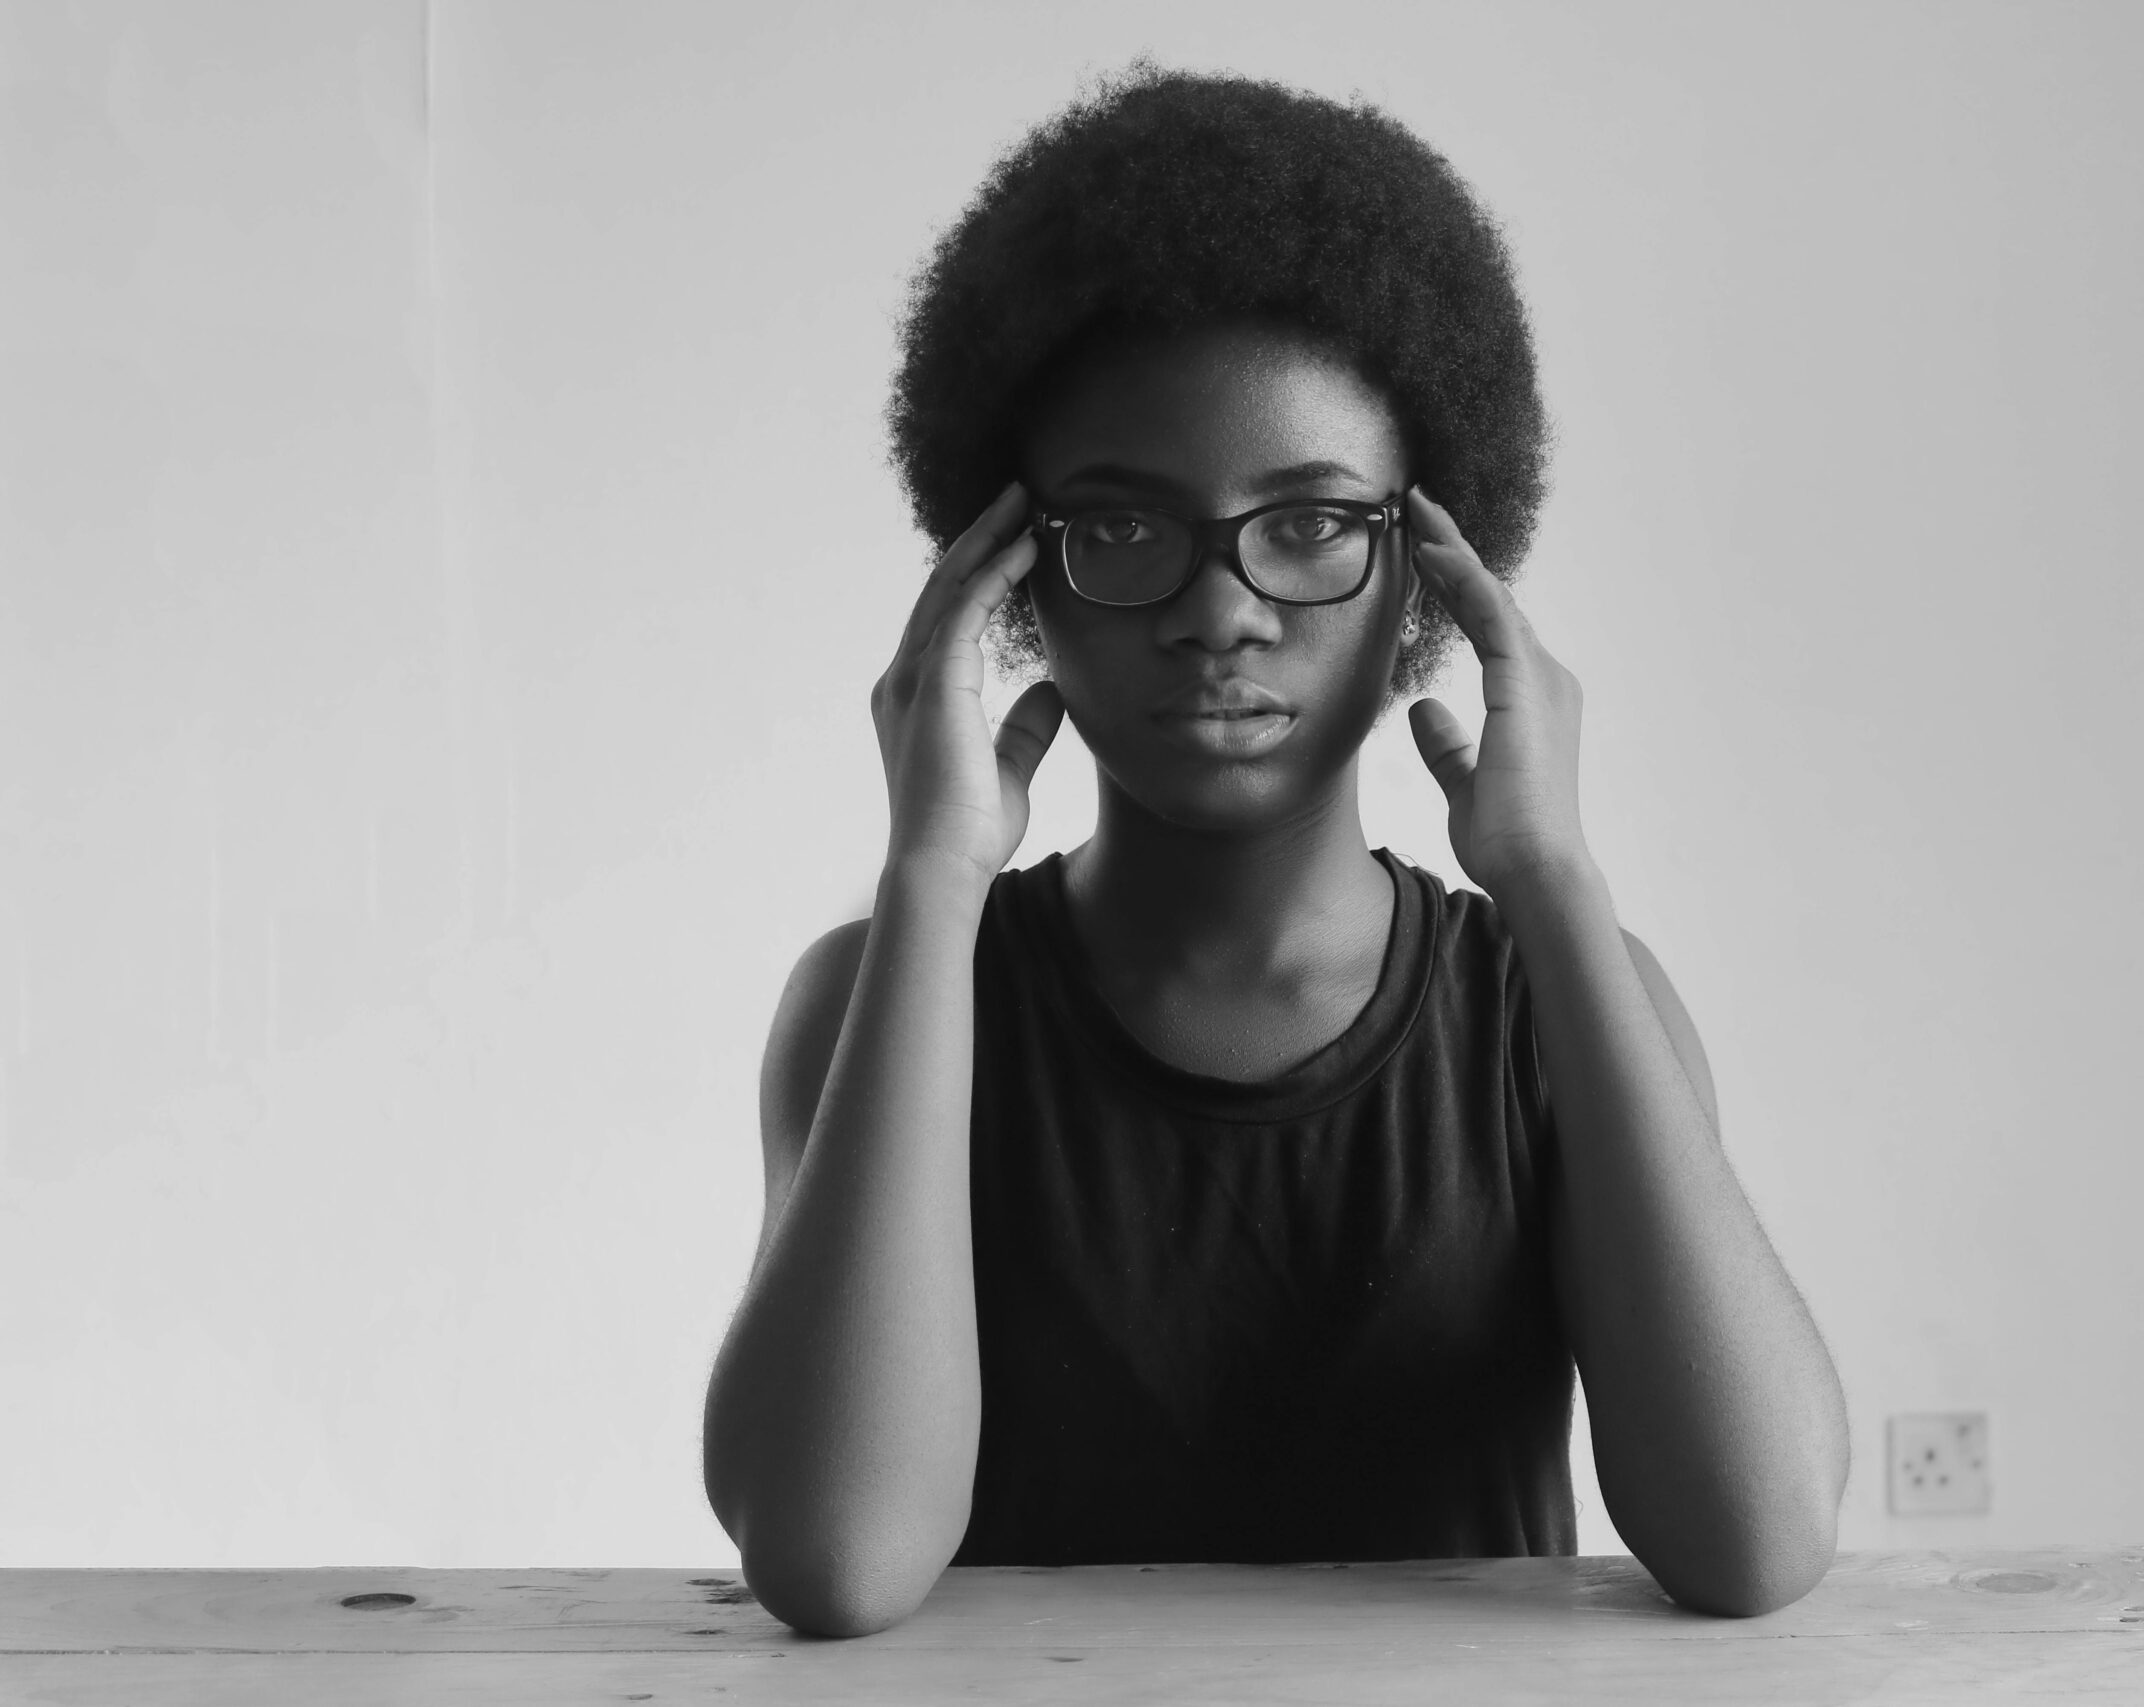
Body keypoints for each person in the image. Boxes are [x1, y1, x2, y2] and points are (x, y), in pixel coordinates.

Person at [701, 64, 1849, 1638]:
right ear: (1007, 577)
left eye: (1310, 524)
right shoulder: (873, 1000)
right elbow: (836, 1561)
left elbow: (1758, 1539)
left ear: (1429, 570)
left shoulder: (1564, 1001)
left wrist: (1557, 885)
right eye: (1122, 527)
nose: (1220, 611)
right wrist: (930, 883)